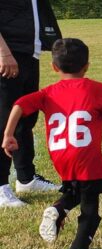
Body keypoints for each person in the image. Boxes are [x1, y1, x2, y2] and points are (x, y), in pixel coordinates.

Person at [2, 38, 102, 249]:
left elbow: (19, 104)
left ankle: (58, 210)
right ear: (87, 66)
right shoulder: (97, 88)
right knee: (90, 208)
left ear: (54, 67)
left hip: (60, 156)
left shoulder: (48, 92)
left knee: (77, 190)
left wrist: (8, 134)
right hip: (88, 156)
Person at [0, 0, 63, 207]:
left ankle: (26, 179)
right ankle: (0, 187)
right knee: (4, 120)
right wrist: (3, 52)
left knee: (25, 118)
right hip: (8, 52)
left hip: (28, 51)